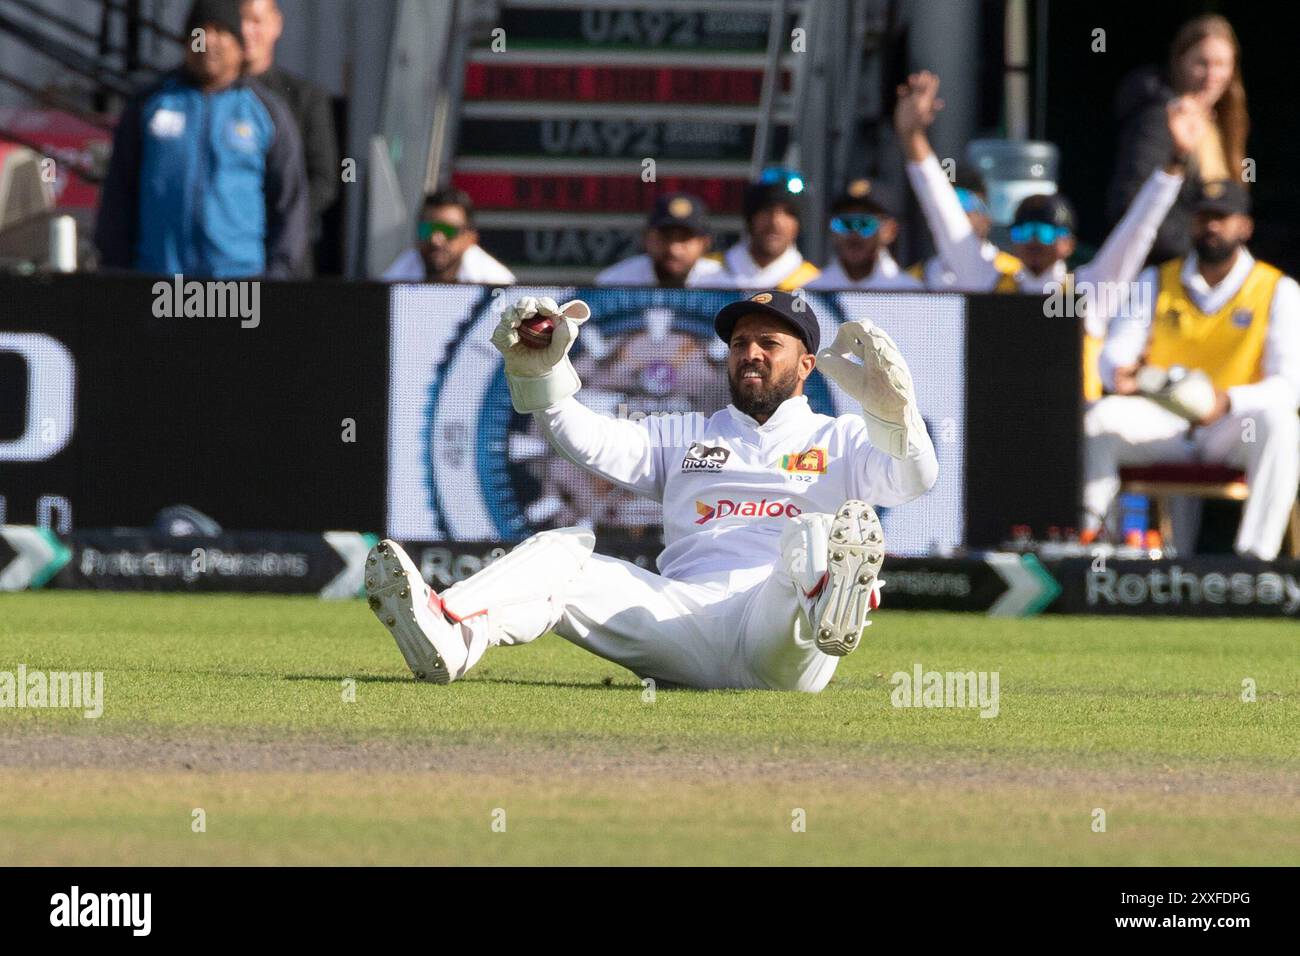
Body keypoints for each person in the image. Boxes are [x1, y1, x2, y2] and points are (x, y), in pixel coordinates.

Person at [364, 290, 937, 690]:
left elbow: (914, 479)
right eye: (740, 344)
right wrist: (540, 373)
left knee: (817, 535)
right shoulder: (684, 434)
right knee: (562, 555)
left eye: (769, 343)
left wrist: (895, 419)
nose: (751, 354)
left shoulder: (843, 438)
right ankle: (450, 631)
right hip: (682, 622)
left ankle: (834, 607)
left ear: (807, 363)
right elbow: (585, 441)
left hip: (779, 631)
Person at [895, 70, 1196, 400]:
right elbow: (943, 213)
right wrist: (912, 137)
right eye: (1026, 230)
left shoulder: (1089, 292)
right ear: (1013, 239)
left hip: (1073, 435)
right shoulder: (987, 282)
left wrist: (1176, 160)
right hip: (1002, 424)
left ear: (1068, 243)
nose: (1036, 240)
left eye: (1048, 232)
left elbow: (1139, 229)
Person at [1083, 180, 1300, 561]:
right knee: (1099, 418)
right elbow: (1115, 353)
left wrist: (1228, 400)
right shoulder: (1156, 281)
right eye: (1203, 218)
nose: (1211, 227)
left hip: (1231, 425)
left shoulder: (1278, 289)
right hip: (1166, 419)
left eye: (1222, 218)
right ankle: (1100, 547)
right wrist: (1120, 371)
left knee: (1282, 423)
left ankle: (1256, 560)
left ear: (1244, 226)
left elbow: (1289, 385)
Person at [95, 0, 308, 279]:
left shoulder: (264, 112)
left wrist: (277, 275)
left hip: (240, 286)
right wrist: (119, 272)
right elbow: (118, 194)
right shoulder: (150, 105)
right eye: (199, 32)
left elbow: (289, 202)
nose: (208, 42)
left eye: (221, 31)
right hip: (159, 286)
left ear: (238, 43)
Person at [1107, 14, 1248, 265]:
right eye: (1201, 63)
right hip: (1164, 272)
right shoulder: (1159, 118)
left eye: (1221, 64)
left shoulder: (1224, 122)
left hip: (1212, 270)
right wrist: (1196, 251)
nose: (1211, 75)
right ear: (1179, 61)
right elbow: (1131, 207)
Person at [240, 0, 339, 276]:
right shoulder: (205, 100)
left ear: (276, 24)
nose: (247, 31)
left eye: (256, 21)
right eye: (239, 21)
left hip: (285, 261)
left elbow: (324, 181)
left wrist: (281, 226)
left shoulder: (306, 98)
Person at [693, 173, 820, 291]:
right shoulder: (704, 273)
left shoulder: (813, 283)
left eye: (789, 213)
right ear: (750, 217)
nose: (775, 222)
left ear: (799, 224)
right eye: (767, 210)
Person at [906, 166, 1021, 290]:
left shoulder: (1016, 275)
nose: (958, 217)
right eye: (951, 207)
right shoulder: (912, 279)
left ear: (987, 218)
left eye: (967, 205)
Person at [806, 179, 923, 291]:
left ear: (889, 231)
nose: (854, 234)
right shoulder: (812, 293)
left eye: (865, 224)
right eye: (845, 224)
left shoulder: (910, 292)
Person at [381, 188, 515, 284]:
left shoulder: (497, 283)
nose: (436, 240)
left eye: (447, 230)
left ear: (470, 239)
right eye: (428, 229)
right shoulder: (394, 280)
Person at [595, 192, 722, 287]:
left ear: (705, 243)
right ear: (646, 238)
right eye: (666, 236)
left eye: (685, 238)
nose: (674, 250)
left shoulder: (724, 282)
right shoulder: (614, 282)